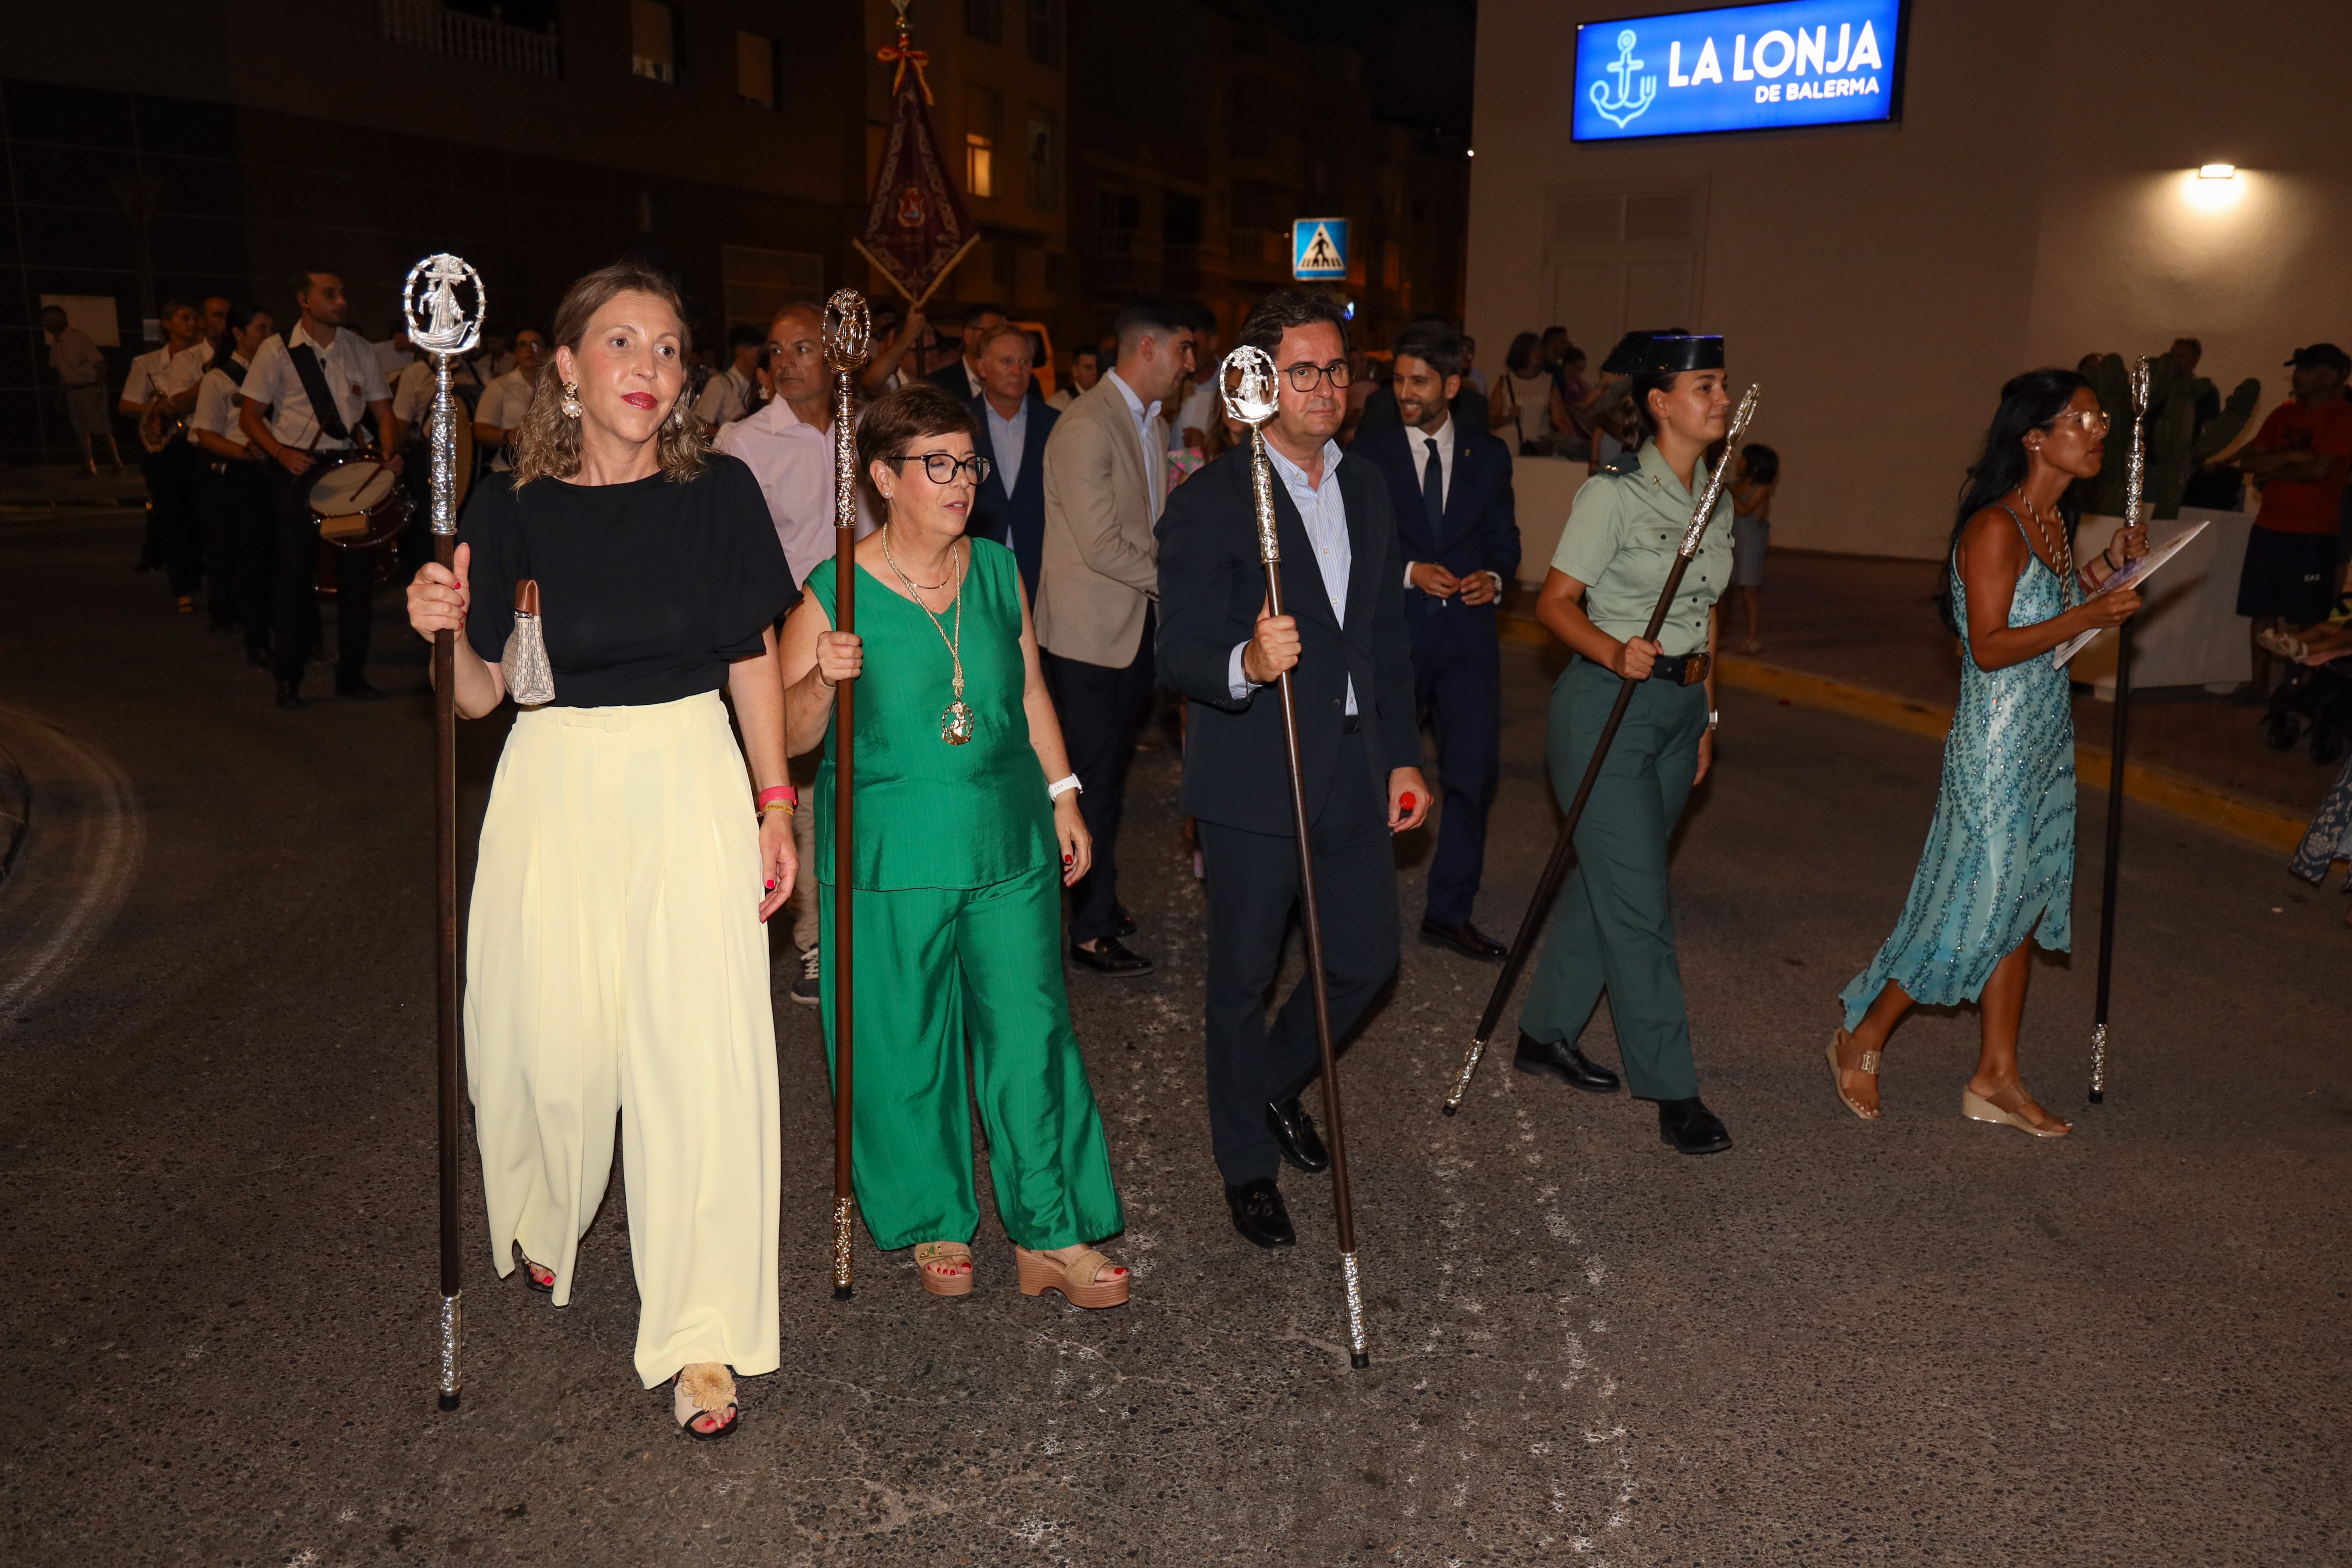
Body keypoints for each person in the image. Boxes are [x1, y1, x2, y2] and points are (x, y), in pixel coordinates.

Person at [404, 260, 796, 1439]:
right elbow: (476, 699)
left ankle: (703, 1332)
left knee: (699, 1064)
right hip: (552, 786)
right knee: (547, 1053)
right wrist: (437, 632)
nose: (650, 366)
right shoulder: (506, 510)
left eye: (669, 348)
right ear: (565, 367)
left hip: (686, 777)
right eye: (621, 343)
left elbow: (745, 660)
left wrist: (775, 805)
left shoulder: (718, 493)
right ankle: (542, 1202)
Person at [777, 382, 1130, 1307]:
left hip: (1009, 834)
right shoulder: (833, 590)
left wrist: (1064, 795)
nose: (960, 479)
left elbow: (1031, 693)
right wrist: (821, 675)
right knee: (902, 1040)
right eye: (936, 464)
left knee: (1032, 1032)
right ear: (884, 478)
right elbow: (788, 732)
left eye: (966, 461)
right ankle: (933, 1215)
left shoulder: (998, 570)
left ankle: (1048, 1230)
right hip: (889, 850)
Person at [1156, 287, 1430, 1248]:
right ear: (1259, 384)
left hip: (1354, 766)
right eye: (1302, 370)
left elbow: (1382, 639)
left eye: (1336, 369)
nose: (1325, 386)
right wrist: (1246, 659)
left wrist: (1401, 755)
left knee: (1365, 963)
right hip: (1255, 772)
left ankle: (1264, 1086)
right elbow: (1178, 648)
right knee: (1240, 977)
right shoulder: (1212, 502)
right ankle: (1245, 1161)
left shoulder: (1362, 487)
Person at [1832, 369, 2147, 1136]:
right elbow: (1990, 643)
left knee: (2022, 901)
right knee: (1975, 900)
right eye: (2082, 419)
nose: (2097, 430)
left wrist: (2111, 572)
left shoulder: (2051, 521)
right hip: (1995, 744)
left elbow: (2057, 617)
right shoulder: (1995, 527)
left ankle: (1994, 1076)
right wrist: (2098, 608)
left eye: (2100, 419)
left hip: (2044, 735)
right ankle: (1863, 1032)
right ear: (2033, 437)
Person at [1513, 334, 1742, 1153]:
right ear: (1658, 402)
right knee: (1641, 906)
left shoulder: (1715, 498)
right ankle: (1672, 1088)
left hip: (1678, 714)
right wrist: (1613, 650)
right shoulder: (1611, 495)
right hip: (1604, 708)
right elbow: (1555, 602)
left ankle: (1542, 1032)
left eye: (1721, 386)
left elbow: (1705, 614)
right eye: (1704, 385)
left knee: (1608, 883)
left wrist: (1707, 716)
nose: (1720, 398)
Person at [716, 300, 880, 1008]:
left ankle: (874, 918)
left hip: (876, 620)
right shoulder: (745, 442)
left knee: (873, 773)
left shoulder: (873, 428)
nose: (786, 362)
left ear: (838, 353)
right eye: (775, 352)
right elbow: (725, 552)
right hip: (789, 628)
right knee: (803, 786)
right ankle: (816, 940)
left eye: (802, 347)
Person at [1036, 296, 1196, 975]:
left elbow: (1147, 524)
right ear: (1149, 348)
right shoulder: (1087, 425)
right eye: (1185, 349)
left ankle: (1095, 896)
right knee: (1087, 783)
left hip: (1129, 631)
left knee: (1109, 781)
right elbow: (1102, 546)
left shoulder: (1147, 422)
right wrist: (1178, 581)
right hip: (1086, 640)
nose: (1193, 364)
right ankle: (1088, 929)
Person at [1355, 318, 1520, 960]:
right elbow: (1355, 549)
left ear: (1452, 383)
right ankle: (1361, 908)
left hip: (1467, 642)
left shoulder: (1490, 455)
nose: (1405, 392)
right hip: (1394, 636)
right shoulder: (1369, 455)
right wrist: (1407, 573)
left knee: (1473, 777)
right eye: (1398, 380)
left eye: (1418, 381)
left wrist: (1495, 579)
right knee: (1374, 773)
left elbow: (1507, 541)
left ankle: (1450, 912)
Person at [236, 269, 396, 709]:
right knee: (293, 577)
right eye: (331, 294)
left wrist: (387, 450)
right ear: (305, 300)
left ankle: (352, 675)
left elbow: (384, 413)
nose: (341, 300)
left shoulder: (359, 349)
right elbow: (250, 417)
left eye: (343, 293)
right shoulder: (277, 351)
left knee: (358, 577)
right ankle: (288, 678)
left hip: (347, 467)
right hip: (299, 467)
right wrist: (279, 453)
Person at [2234, 343, 2352, 695]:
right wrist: (2296, 456)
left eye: (2307, 369)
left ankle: (2297, 688)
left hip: (2312, 530)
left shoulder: (2342, 416)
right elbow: (2250, 462)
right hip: (2269, 525)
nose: (2298, 376)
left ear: (2333, 376)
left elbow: (2320, 470)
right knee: (2261, 608)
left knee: (2307, 613)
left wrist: (2281, 465)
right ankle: (2257, 685)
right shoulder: (2283, 413)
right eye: (2297, 369)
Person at [187, 304, 277, 652]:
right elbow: (205, 434)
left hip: (270, 468)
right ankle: (235, 617)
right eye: (261, 328)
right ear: (239, 334)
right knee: (238, 552)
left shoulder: (274, 376)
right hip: (237, 471)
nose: (269, 336)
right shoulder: (219, 378)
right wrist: (245, 453)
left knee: (267, 551)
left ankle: (261, 614)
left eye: (272, 329)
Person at [121, 298, 212, 607]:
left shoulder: (208, 358)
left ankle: (201, 572)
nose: (190, 323)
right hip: (167, 446)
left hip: (200, 440)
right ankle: (181, 584)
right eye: (183, 318)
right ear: (167, 324)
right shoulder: (147, 364)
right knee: (173, 515)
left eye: (193, 318)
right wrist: (155, 407)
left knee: (203, 514)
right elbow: (126, 404)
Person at [965, 321, 1059, 601]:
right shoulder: (959, 423)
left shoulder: (1055, 424)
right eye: (1007, 362)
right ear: (981, 368)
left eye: (1025, 362)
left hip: (1039, 566)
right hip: (975, 562)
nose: (1018, 372)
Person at [43, 306, 120, 474]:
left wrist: (98, 388)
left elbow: (101, 364)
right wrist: (60, 397)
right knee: (80, 429)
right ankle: (89, 465)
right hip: (73, 391)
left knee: (100, 427)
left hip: (89, 388)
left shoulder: (79, 338)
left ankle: (116, 463)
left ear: (58, 321)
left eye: (47, 321)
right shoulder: (56, 343)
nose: (45, 326)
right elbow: (62, 373)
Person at [473, 328, 548, 473]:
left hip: (550, 471)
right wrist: (509, 435)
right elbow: (481, 431)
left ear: (548, 350)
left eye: (535, 345)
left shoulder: (558, 387)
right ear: (516, 352)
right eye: (523, 345)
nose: (529, 350)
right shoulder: (499, 386)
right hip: (509, 470)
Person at [1727, 442, 1778, 654]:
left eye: (1743, 459)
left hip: (1751, 546)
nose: (1739, 463)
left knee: (1749, 591)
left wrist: (1725, 494)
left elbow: (1746, 510)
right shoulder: (1735, 485)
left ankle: (1753, 638)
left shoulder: (1761, 490)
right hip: (1732, 543)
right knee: (1725, 592)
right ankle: (1718, 635)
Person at [1489, 331, 1556, 455]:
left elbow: (1560, 419)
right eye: (1533, 349)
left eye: (1539, 349)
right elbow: (1491, 418)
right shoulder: (1505, 383)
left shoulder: (1548, 383)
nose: (1538, 353)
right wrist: (1508, 419)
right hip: (1508, 446)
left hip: (1538, 448)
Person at [927, 303, 1008, 400]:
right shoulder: (938, 386)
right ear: (968, 335)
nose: (1000, 341)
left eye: (1004, 335)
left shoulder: (1015, 382)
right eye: (992, 333)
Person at [693, 325, 763, 429]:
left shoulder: (762, 384)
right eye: (760, 352)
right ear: (743, 351)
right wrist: (731, 432)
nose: (763, 357)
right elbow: (699, 426)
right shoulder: (720, 383)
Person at [1047, 343, 1098, 411]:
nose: (1095, 372)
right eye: (1089, 368)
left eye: (1098, 367)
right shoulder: (1059, 404)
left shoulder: (1106, 400)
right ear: (1075, 371)